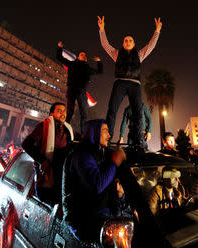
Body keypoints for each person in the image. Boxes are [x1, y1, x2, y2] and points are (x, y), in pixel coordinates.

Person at [98, 16, 162, 146]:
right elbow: (105, 45)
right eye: (126, 40)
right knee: (112, 109)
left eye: (130, 40)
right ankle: (107, 138)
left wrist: (157, 31)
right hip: (120, 82)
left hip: (135, 84)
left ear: (133, 44)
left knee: (138, 111)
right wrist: (102, 29)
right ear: (123, 43)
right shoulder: (116, 53)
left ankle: (138, 139)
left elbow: (151, 46)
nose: (128, 42)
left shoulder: (139, 55)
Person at [62, 119, 126, 241]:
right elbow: (97, 185)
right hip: (84, 220)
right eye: (104, 131)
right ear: (93, 132)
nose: (109, 135)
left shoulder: (101, 154)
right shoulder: (82, 155)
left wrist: (120, 193)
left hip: (102, 214)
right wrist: (115, 162)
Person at [22, 102, 74, 204]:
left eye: (64, 111)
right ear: (51, 114)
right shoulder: (43, 127)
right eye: (59, 111)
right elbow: (26, 144)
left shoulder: (68, 129)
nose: (63, 113)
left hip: (61, 173)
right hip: (46, 172)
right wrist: (42, 160)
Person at [56, 42, 103, 132]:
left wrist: (99, 62)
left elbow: (99, 71)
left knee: (84, 113)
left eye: (85, 55)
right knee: (70, 111)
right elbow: (59, 58)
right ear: (78, 57)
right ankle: (64, 130)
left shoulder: (88, 68)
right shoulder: (72, 64)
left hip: (82, 91)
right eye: (82, 55)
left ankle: (83, 133)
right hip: (72, 89)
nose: (84, 56)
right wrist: (60, 48)